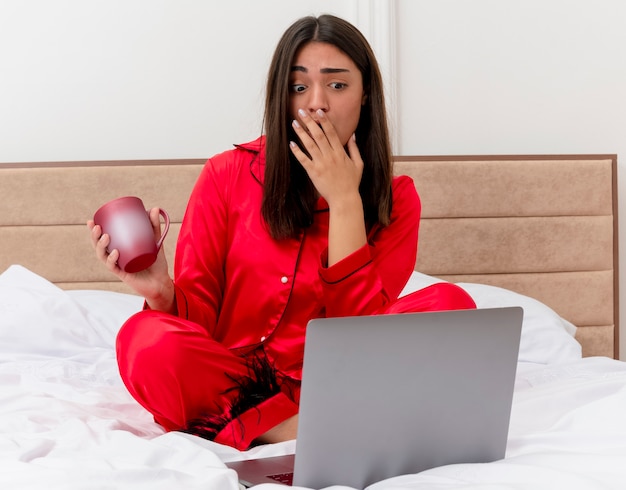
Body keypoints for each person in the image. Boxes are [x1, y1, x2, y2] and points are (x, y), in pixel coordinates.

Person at [88, 14, 476, 450]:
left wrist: (346, 200)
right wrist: (162, 293)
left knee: (453, 306)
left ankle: (269, 432)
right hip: (235, 383)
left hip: (345, 381)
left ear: (365, 95)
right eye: (298, 87)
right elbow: (203, 325)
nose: (316, 104)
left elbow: (366, 336)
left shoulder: (397, 198)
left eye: (337, 85)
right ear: (282, 96)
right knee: (144, 339)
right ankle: (299, 431)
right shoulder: (225, 174)